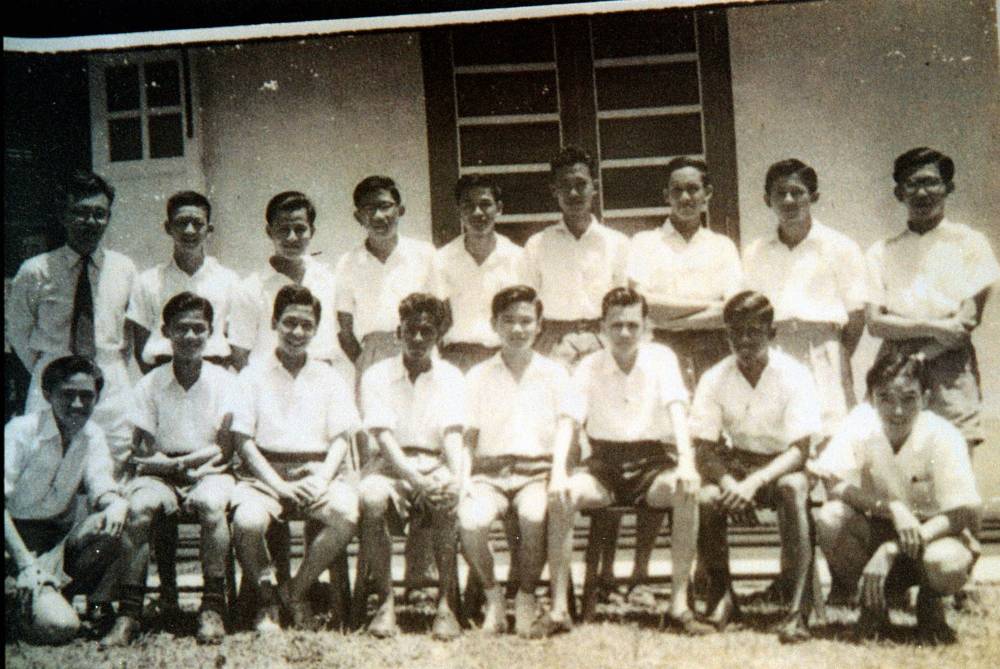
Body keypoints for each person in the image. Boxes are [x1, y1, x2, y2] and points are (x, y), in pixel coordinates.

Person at [539, 287, 706, 637]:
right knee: (564, 495)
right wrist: (557, 474)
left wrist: (687, 463)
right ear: (603, 327)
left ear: (646, 326)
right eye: (616, 326)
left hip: (651, 462)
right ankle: (558, 610)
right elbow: (568, 421)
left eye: (632, 325)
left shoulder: (662, 358)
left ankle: (679, 605)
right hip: (604, 465)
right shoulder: (588, 365)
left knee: (685, 491)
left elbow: (677, 410)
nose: (625, 333)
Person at [623, 156, 742, 606]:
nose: (687, 198)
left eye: (695, 189)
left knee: (702, 454)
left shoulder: (723, 247)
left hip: (711, 353)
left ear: (708, 194)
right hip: (660, 351)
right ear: (665, 196)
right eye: (678, 190)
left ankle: (700, 572)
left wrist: (673, 308)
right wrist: (699, 306)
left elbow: (729, 310)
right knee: (660, 455)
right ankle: (639, 575)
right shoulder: (645, 243)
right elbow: (641, 304)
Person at [811, 351, 981, 644]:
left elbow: (961, 511)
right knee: (830, 519)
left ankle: (931, 604)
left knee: (947, 563)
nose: (897, 410)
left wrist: (892, 548)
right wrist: (891, 508)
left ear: (926, 399)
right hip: (878, 527)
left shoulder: (943, 434)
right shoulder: (861, 422)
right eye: (885, 397)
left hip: (934, 536)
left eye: (909, 398)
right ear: (871, 397)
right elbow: (835, 483)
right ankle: (874, 607)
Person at [101, 292, 238, 647]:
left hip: (210, 469)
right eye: (182, 329)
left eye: (199, 329)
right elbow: (144, 448)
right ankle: (129, 613)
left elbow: (225, 446)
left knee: (211, 506)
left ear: (211, 333)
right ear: (166, 332)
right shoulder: (149, 383)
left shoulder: (225, 381)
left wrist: (191, 466)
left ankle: (212, 608)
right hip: (159, 470)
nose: (191, 337)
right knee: (140, 508)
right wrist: (172, 466)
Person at [690, 291, 821, 643]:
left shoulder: (794, 375)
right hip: (738, 464)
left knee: (793, 490)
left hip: (784, 465)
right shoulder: (714, 377)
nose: (745, 341)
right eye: (736, 332)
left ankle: (798, 608)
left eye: (754, 331)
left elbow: (801, 449)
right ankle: (723, 596)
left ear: (771, 332)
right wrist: (731, 482)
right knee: (705, 497)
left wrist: (755, 482)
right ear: (726, 334)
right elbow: (703, 448)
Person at [229, 285, 359, 632]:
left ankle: (295, 592)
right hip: (264, 476)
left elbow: (342, 438)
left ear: (316, 329)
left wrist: (320, 478)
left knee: (345, 514)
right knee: (247, 522)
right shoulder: (251, 375)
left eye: (306, 325)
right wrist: (280, 485)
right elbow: (242, 441)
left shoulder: (330, 377)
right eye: (289, 323)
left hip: (318, 472)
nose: (297, 332)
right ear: (274, 323)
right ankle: (268, 602)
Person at [458, 285, 580, 636]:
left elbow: (565, 429)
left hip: (536, 472)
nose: (517, 329)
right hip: (490, 473)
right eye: (508, 321)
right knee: (470, 521)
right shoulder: (478, 375)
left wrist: (558, 473)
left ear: (540, 325)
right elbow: (469, 437)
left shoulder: (555, 373)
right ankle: (494, 598)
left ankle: (526, 596)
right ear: (494, 324)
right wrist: (464, 479)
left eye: (526, 321)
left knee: (532, 515)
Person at [865, 147, 999, 451]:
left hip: (949, 361)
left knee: (955, 455)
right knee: (894, 455)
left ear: (948, 188)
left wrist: (922, 355)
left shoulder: (970, 243)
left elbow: (965, 322)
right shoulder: (882, 251)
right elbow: (875, 323)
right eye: (912, 184)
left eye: (931, 182)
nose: (922, 192)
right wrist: (933, 328)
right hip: (895, 361)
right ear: (899, 193)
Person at [6, 170, 137, 475]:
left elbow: (128, 337)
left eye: (99, 214)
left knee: (114, 466)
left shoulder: (124, 268)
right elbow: (19, 333)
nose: (90, 222)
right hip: (53, 383)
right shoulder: (35, 270)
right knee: (46, 467)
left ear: (108, 218)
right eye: (80, 213)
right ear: (62, 216)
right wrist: (52, 370)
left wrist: (108, 368)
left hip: (109, 385)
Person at [356, 293, 465, 640]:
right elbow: (383, 439)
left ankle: (446, 603)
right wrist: (415, 478)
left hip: (433, 462)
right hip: (389, 465)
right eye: (411, 330)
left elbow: (452, 435)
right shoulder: (376, 375)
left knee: (447, 496)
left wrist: (455, 477)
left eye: (427, 331)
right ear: (397, 333)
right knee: (372, 498)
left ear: (438, 336)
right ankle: (386, 601)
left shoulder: (451, 377)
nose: (418, 339)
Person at [5, 356, 128, 644]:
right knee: (61, 627)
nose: (77, 404)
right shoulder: (21, 431)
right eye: (67, 395)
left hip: (55, 547)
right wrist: (24, 564)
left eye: (86, 396)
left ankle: (95, 607)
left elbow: (102, 487)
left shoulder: (92, 435)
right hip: (13, 546)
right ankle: (21, 601)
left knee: (117, 522)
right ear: (48, 394)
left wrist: (117, 503)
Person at [743, 159, 866, 439]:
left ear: (813, 197)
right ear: (767, 200)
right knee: (780, 432)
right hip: (774, 349)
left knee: (831, 435)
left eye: (797, 192)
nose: (788, 200)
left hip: (824, 348)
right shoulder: (755, 251)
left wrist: (838, 358)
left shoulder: (841, 247)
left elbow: (857, 316)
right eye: (779, 193)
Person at [228, 191, 353, 382]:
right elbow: (239, 354)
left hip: (320, 388)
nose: (292, 237)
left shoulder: (329, 281)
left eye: (300, 229)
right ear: (269, 232)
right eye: (283, 229)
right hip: (270, 390)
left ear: (312, 231)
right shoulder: (250, 289)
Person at [522, 145, 629, 367]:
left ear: (594, 188)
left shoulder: (616, 242)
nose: (573, 193)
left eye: (581, 185)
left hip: (604, 341)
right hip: (552, 344)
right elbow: (527, 304)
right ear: (554, 191)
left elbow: (625, 303)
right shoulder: (537, 244)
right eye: (565, 186)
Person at [127, 191, 242, 374]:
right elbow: (141, 346)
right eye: (182, 223)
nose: (189, 230)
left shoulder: (229, 281)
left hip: (214, 375)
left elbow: (235, 339)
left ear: (209, 229)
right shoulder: (147, 281)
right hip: (162, 373)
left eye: (197, 223)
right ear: (168, 227)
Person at [335, 176, 434, 379]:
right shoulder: (347, 263)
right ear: (358, 216)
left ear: (400, 210)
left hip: (420, 351)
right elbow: (344, 331)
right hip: (373, 356)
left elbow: (442, 315)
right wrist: (364, 363)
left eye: (385, 206)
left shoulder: (424, 254)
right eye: (369, 209)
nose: (379, 216)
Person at [430, 174, 525, 372]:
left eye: (485, 204)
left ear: (499, 208)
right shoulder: (442, 259)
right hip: (456, 359)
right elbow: (438, 320)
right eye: (468, 205)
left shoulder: (517, 258)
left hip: (504, 359)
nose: (477, 212)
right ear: (459, 211)